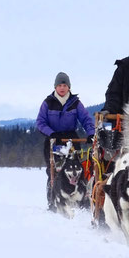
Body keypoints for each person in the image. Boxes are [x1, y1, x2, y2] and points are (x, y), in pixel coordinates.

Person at [36, 72, 95, 210]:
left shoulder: (75, 103)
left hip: (72, 139)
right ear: (55, 87)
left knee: (76, 169)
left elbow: (86, 119)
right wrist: (52, 134)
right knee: (53, 170)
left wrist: (91, 134)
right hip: (53, 141)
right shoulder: (48, 103)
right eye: (59, 85)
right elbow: (40, 122)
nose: (62, 88)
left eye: (65, 85)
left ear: (69, 87)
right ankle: (52, 200)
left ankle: (81, 199)